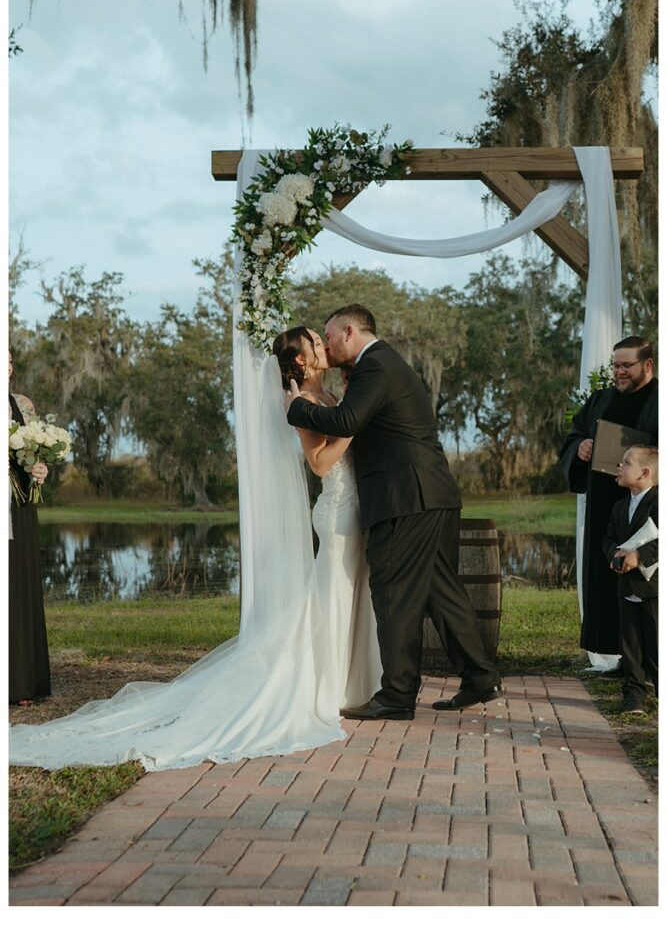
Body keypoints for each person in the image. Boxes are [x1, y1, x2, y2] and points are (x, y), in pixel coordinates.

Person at [9, 328, 381, 770]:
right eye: (316, 344)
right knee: (334, 594)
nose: (323, 346)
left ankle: (349, 682)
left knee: (347, 595)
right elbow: (319, 463)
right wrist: (352, 429)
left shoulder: (331, 395)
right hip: (337, 507)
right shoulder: (299, 403)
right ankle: (325, 688)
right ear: (299, 362)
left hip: (355, 506)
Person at [285, 304, 501, 719]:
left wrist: (297, 408)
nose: (327, 347)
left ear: (348, 331)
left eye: (328, 337)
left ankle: (397, 695)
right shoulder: (382, 364)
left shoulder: (376, 366)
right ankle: (480, 676)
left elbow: (347, 419)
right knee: (442, 592)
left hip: (405, 498)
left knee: (394, 593)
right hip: (429, 493)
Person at [560, 337, 658, 669]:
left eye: (626, 365)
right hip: (606, 508)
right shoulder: (600, 400)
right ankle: (621, 658)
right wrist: (581, 448)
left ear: (647, 365)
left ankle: (649, 663)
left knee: (645, 582)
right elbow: (574, 435)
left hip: (648, 509)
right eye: (615, 365)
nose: (619, 372)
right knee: (606, 580)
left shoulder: (660, 401)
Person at [8, 350, 51, 704]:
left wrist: (40, 470)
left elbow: (35, 453)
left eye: (9, 358)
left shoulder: (23, 404)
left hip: (19, 504)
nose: (8, 364)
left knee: (18, 584)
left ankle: (22, 681)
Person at [602, 446, 658, 713]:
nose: (619, 467)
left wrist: (640, 555)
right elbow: (609, 537)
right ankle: (634, 694)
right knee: (631, 643)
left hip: (654, 587)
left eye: (626, 463)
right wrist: (615, 554)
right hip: (626, 586)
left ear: (645, 472)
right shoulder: (619, 506)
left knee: (658, 641)